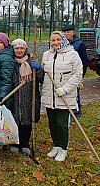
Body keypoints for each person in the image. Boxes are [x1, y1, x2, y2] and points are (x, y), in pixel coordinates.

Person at [41, 31, 82, 162]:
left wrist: (64, 90)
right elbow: (43, 74)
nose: (55, 43)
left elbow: (77, 75)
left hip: (64, 96)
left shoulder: (73, 55)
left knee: (61, 124)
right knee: (52, 123)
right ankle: (56, 146)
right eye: (53, 40)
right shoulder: (47, 54)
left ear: (63, 40)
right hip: (50, 95)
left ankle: (63, 149)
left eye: (58, 39)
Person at [10, 39, 44, 155]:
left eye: (21, 48)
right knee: (15, 120)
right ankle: (15, 143)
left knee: (27, 120)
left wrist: (38, 69)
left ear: (25, 49)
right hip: (14, 96)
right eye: (16, 48)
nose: (19, 51)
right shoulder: (11, 63)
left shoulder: (31, 61)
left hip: (29, 97)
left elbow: (40, 79)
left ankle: (25, 144)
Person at [62, 25, 88, 118]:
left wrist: (82, 74)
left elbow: (84, 60)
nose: (66, 34)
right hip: (65, 72)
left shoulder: (79, 44)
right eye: (64, 32)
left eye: (68, 32)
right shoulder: (62, 43)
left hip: (75, 72)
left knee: (75, 92)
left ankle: (77, 112)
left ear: (73, 32)